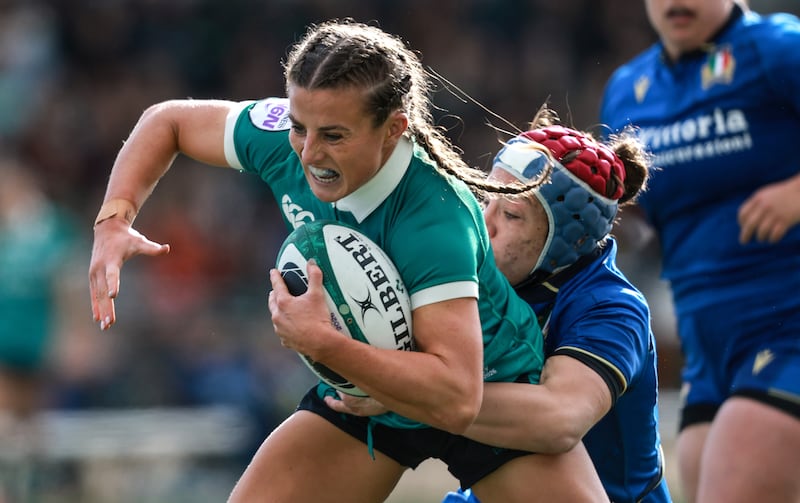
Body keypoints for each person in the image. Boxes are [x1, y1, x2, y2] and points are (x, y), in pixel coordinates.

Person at [88, 19, 608, 502]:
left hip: (491, 386)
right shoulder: (286, 140)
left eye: (334, 135)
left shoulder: (434, 216)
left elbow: (456, 397)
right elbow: (168, 121)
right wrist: (114, 219)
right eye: (299, 126)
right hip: (364, 397)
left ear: (394, 129)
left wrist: (324, 343)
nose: (308, 153)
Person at [330, 107, 670, 502]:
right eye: (485, 199)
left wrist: (404, 395)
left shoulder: (612, 308)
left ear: (570, 240)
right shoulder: (473, 273)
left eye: (511, 214)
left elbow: (560, 418)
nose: (483, 223)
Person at [599, 1, 800, 502]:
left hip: (788, 322)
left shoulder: (778, 49)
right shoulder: (627, 90)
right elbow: (632, 220)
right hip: (706, 345)